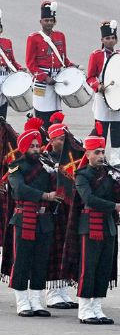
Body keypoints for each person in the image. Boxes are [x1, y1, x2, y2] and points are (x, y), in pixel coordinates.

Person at [73, 129, 120, 324]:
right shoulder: (82, 175)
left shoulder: (109, 174)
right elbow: (89, 198)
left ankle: (97, 307)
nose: (101, 156)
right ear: (87, 154)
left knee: (104, 267)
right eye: (96, 152)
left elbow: (115, 194)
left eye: (102, 152)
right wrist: (115, 205)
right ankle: (84, 308)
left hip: (108, 225)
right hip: (90, 226)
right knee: (88, 267)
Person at [8, 119, 58, 317]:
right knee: (22, 260)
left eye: (38, 145)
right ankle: (22, 302)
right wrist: (45, 196)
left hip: (44, 220)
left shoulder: (47, 166)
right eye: (32, 146)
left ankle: (37, 301)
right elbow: (19, 189)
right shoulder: (16, 166)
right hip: (24, 218)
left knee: (40, 261)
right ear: (24, 147)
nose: (37, 149)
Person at [84, 20, 120, 163]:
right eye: (107, 38)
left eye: (113, 38)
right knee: (101, 129)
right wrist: (98, 86)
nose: (110, 41)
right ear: (102, 40)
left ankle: (115, 157)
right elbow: (90, 77)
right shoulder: (96, 55)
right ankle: (99, 154)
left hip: (118, 97)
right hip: (103, 97)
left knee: (117, 128)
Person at [25, 0, 70, 125]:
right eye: (46, 20)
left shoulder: (60, 36)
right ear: (41, 22)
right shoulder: (34, 38)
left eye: (51, 20)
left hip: (57, 80)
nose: (49, 23)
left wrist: (73, 68)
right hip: (42, 82)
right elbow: (30, 64)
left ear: (55, 21)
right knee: (42, 116)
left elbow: (64, 59)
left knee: (56, 117)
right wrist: (45, 78)